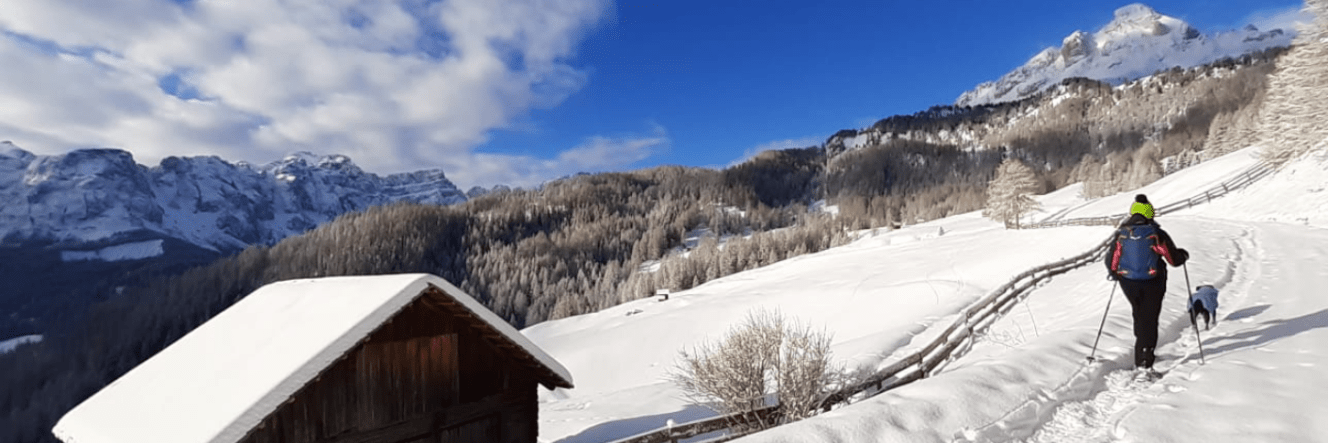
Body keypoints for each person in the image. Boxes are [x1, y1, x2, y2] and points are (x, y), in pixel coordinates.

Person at [1105, 194, 1189, 374]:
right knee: (1150, 318)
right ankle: (1145, 361)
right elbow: (1173, 259)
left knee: (1139, 314)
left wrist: (1116, 274)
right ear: (1149, 213)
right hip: (1153, 281)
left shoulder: (1122, 233)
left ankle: (1141, 353)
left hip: (1128, 282)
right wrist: (1183, 255)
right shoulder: (1155, 233)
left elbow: (1111, 260)